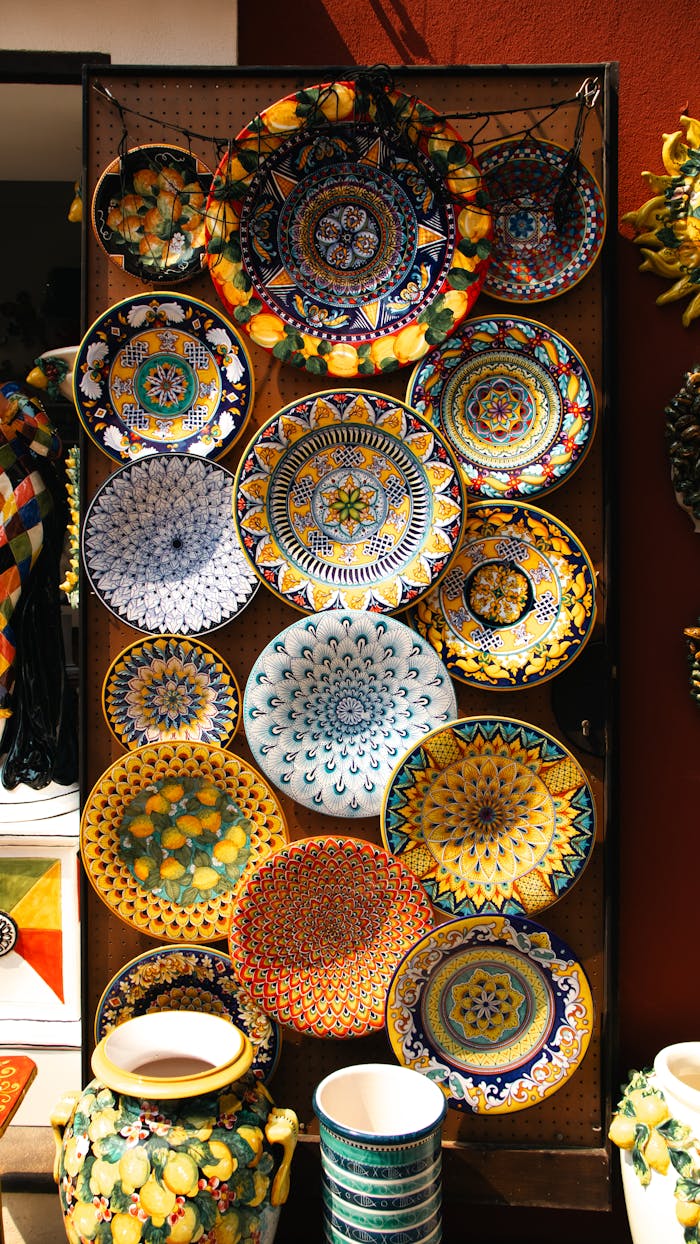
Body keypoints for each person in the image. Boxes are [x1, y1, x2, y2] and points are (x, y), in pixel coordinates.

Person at [0, 381, 75, 788]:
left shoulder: (13, 396)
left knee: (6, 614)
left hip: (23, 508)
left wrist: (10, 414)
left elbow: (53, 446)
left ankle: (11, 722)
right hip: (5, 508)